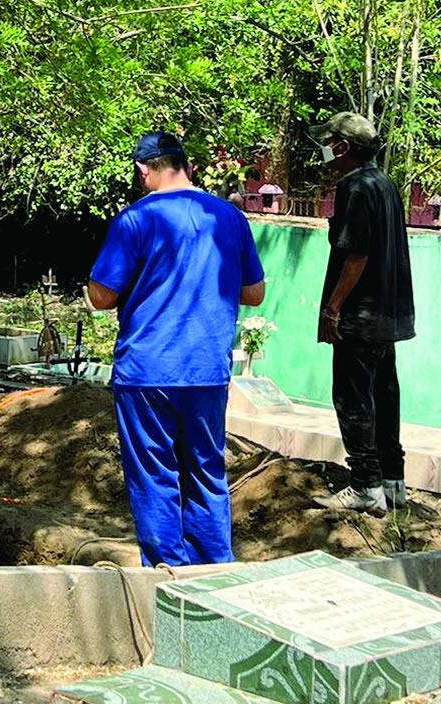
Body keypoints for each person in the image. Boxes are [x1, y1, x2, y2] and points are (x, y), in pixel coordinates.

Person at [86, 131, 266, 567]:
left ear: (143, 170)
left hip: (147, 372)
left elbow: (102, 296)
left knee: (154, 474)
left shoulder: (135, 220)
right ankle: (214, 572)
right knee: (206, 471)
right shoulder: (229, 217)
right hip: (206, 370)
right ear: (188, 166)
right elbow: (255, 293)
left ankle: (167, 574)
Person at [308, 112, 415, 514]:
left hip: (360, 315)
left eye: (328, 142)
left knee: (352, 398)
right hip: (387, 315)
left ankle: (365, 485)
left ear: (343, 147)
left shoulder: (354, 187)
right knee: (385, 395)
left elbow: (357, 255)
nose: (325, 149)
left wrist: (333, 309)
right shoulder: (384, 184)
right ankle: (393, 481)